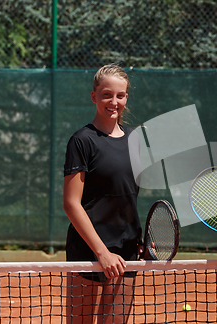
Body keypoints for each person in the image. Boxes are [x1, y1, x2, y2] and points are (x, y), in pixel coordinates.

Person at [63, 63, 143, 323]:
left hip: (126, 249)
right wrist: (102, 253)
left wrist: (140, 239)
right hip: (88, 250)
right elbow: (71, 204)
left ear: (126, 97)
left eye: (120, 95)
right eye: (107, 94)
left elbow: (127, 196)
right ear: (94, 96)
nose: (114, 101)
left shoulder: (136, 140)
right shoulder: (82, 141)